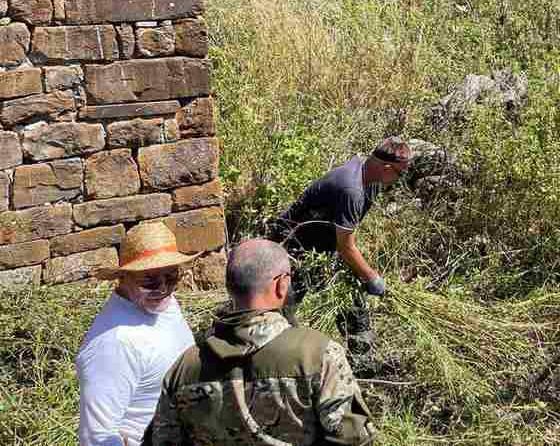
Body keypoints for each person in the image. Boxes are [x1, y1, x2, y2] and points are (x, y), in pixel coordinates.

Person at [148, 239, 377, 444]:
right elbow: (355, 437)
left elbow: (162, 440)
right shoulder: (317, 354)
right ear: (281, 285)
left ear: (229, 288)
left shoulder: (184, 367)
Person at [268, 136, 411, 360]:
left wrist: (357, 268)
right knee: (281, 310)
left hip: (324, 246)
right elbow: (347, 247)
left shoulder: (369, 178)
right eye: (399, 174)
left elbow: (345, 237)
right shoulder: (351, 189)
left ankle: (363, 360)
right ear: (385, 168)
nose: (399, 180)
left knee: (352, 299)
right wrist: (372, 277)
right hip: (294, 247)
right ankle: (279, 363)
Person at [76, 222, 197, 446]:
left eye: (171, 277)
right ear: (124, 277)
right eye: (149, 281)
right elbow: (96, 437)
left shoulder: (163, 303)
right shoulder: (115, 343)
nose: (163, 288)